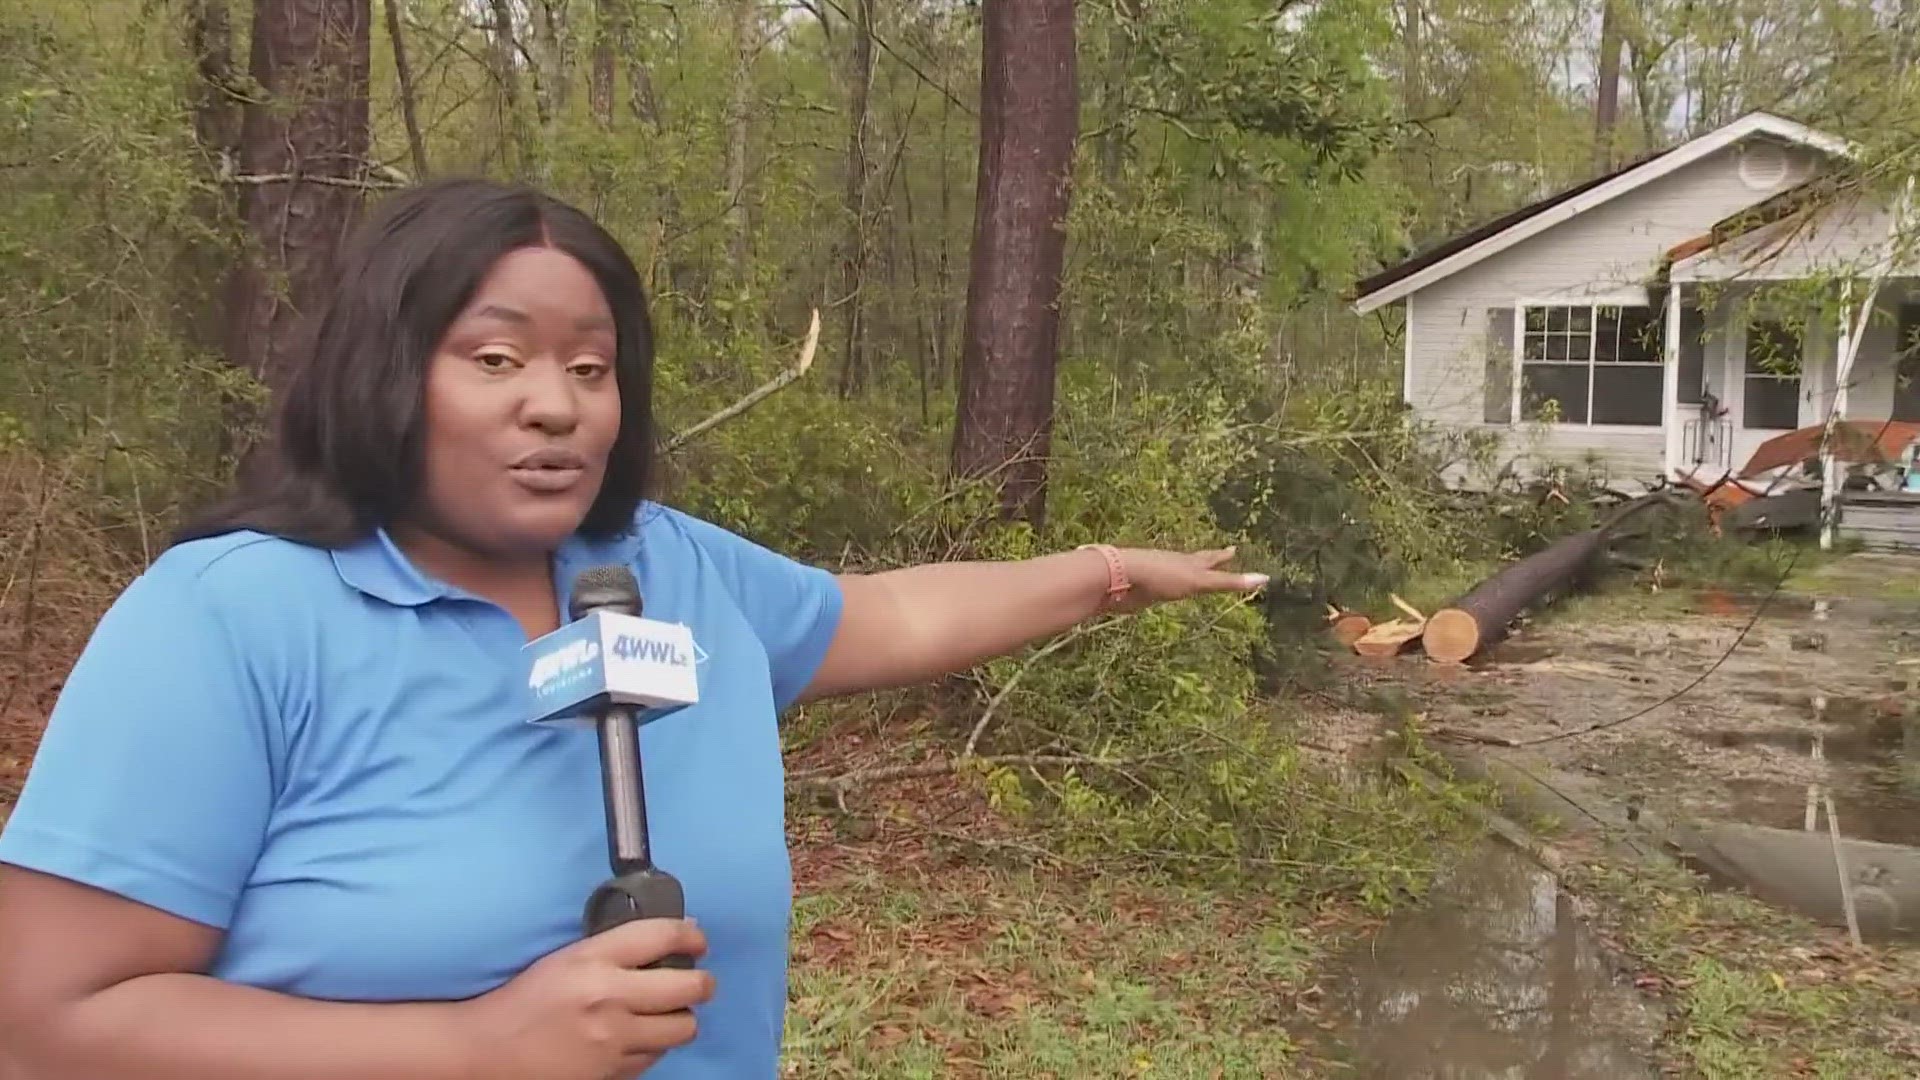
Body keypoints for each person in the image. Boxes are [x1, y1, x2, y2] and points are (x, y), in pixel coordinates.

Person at [0, 178, 1267, 1080]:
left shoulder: (671, 571)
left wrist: (1106, 570)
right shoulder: (232, 619)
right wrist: (470, 1050)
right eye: (495, 360)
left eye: (591, 369)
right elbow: (45, 1027)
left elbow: (892, 611)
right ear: (386, 374)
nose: (555, 406)